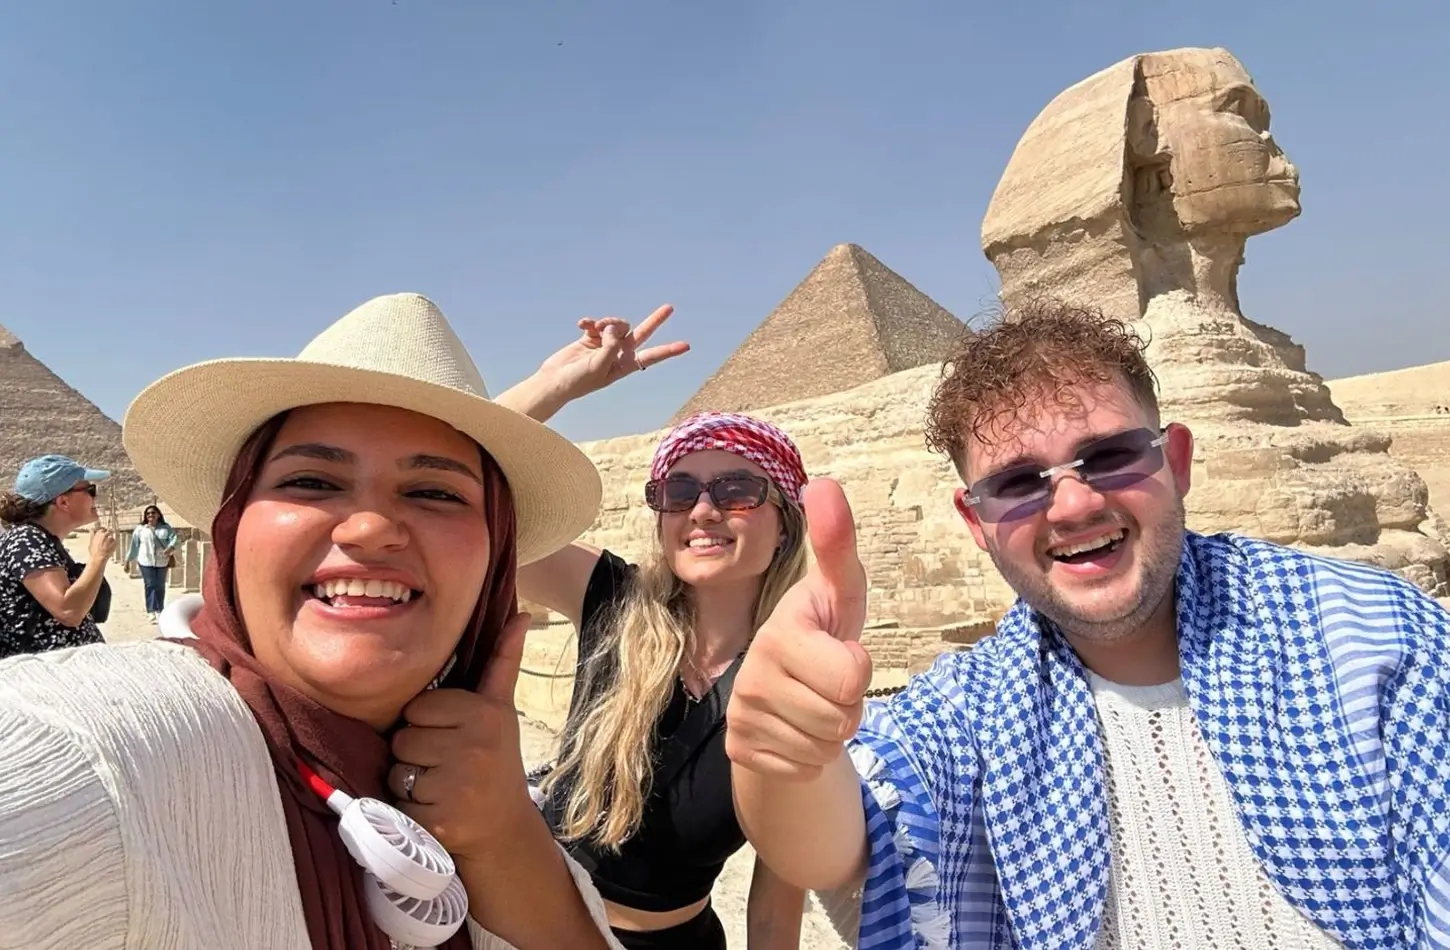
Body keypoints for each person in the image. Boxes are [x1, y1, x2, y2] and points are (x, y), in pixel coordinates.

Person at [724, 300, 1450, 949]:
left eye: (1109, 456)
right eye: (1015, 483)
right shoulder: (972, 709)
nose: (1072, 505)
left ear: (1178, 460)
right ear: (975, 522)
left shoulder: (1378, 639)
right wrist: (785, 754)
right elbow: (837, 838)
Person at [0, 292, 624, 949]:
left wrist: (504, 840)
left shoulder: (486, 785)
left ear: (497, 559)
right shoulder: (99, 752)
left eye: (435, 492)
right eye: (311, 482)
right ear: (234, 527)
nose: (372, 528)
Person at [495, 307, 809, 949]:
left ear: (784, 526)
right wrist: (555, 386)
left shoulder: (799, 679)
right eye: (678, 490)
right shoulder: (611, 598)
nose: (702, 509)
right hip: (526, 925)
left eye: (736, 489)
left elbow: (776, 904)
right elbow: (471, 494)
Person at [0, 454, 117, 659]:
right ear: (63, 501)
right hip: (46, 678)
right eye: (89, 491)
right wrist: (99, 557)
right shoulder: (26, 540)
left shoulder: (42, 540)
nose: (94, 497)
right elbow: (68, 611)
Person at [126, 503, 179, 623]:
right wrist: (128, 560)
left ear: (159, 515)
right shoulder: (140, 529)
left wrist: (171, 547)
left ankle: (160, 609)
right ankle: (151, 610)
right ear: (145, 516)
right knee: (150, 584)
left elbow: (174, 539)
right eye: (148, 513)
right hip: (145, 561)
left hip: (162, 561)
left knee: (160, 585)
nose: (151, 515)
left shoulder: (166, 528)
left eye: (153, 513)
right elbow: (134, 545)